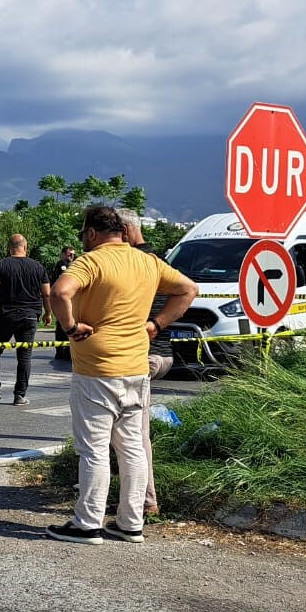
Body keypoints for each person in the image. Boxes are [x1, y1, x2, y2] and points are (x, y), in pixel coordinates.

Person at [44, 205, 198, 544]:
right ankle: (130, 522)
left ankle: (87, 523)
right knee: (132, 447)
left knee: (94, 448)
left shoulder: (91, 261)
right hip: (136, 367)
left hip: (97, 369)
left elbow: (59, 292)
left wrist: (70, 327)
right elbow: (188, 289)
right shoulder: (148, 262)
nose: (82, 239)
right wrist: (157, 323)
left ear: (93, 233)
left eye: (83, 233)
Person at [121, 208, 168, 516]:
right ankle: (136, 496)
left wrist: (153, 326)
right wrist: (160, 324)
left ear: (124, 233)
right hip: (160, 352)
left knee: (133, 434)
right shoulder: (158, 261)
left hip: (142, 355)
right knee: (130, 432)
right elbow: (186, 292)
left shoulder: (133, 263)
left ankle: (144, 500)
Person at [0, 234, 50, 406]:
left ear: (9, 248)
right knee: (25, 356)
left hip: (6, 315)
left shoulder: (2, 265)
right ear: (25, 247)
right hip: (30, 316)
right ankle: (20, 395)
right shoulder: (38, 267)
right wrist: (48, 313)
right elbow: (46, 293)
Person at [50, 245, 78, 361]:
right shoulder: (61, 265)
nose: (71, 257)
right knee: (62, 326)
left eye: (73, 254)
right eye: (69, 254)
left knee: (69, 325)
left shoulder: (74, 265)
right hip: (62, 300)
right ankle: (61, 352)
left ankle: (68, 351)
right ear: (63, 254)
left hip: (71, 300)